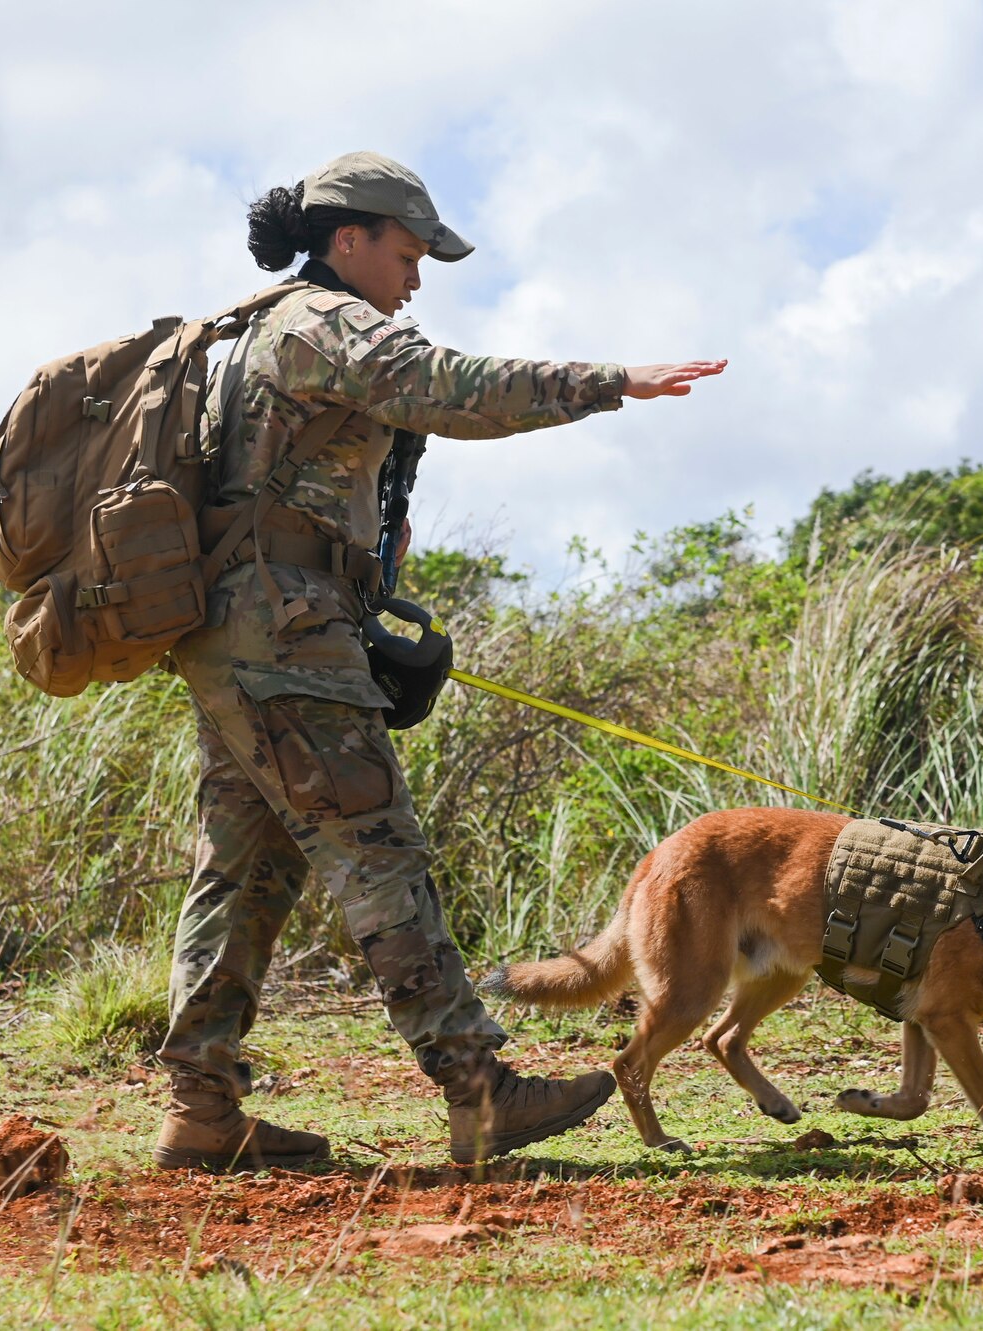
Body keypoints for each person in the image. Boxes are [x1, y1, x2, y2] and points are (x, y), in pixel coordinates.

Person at [154, 150, 726, 1169]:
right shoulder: (320, 322)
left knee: (243, 871)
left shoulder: (258, 331)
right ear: (348, 242)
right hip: (285, 634)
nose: (414, 280)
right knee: (376, 845)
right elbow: (448, 388)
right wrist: (607, 382)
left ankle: (201, 1110)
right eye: (407, 255)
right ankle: (479, 1085)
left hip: (240, 632)